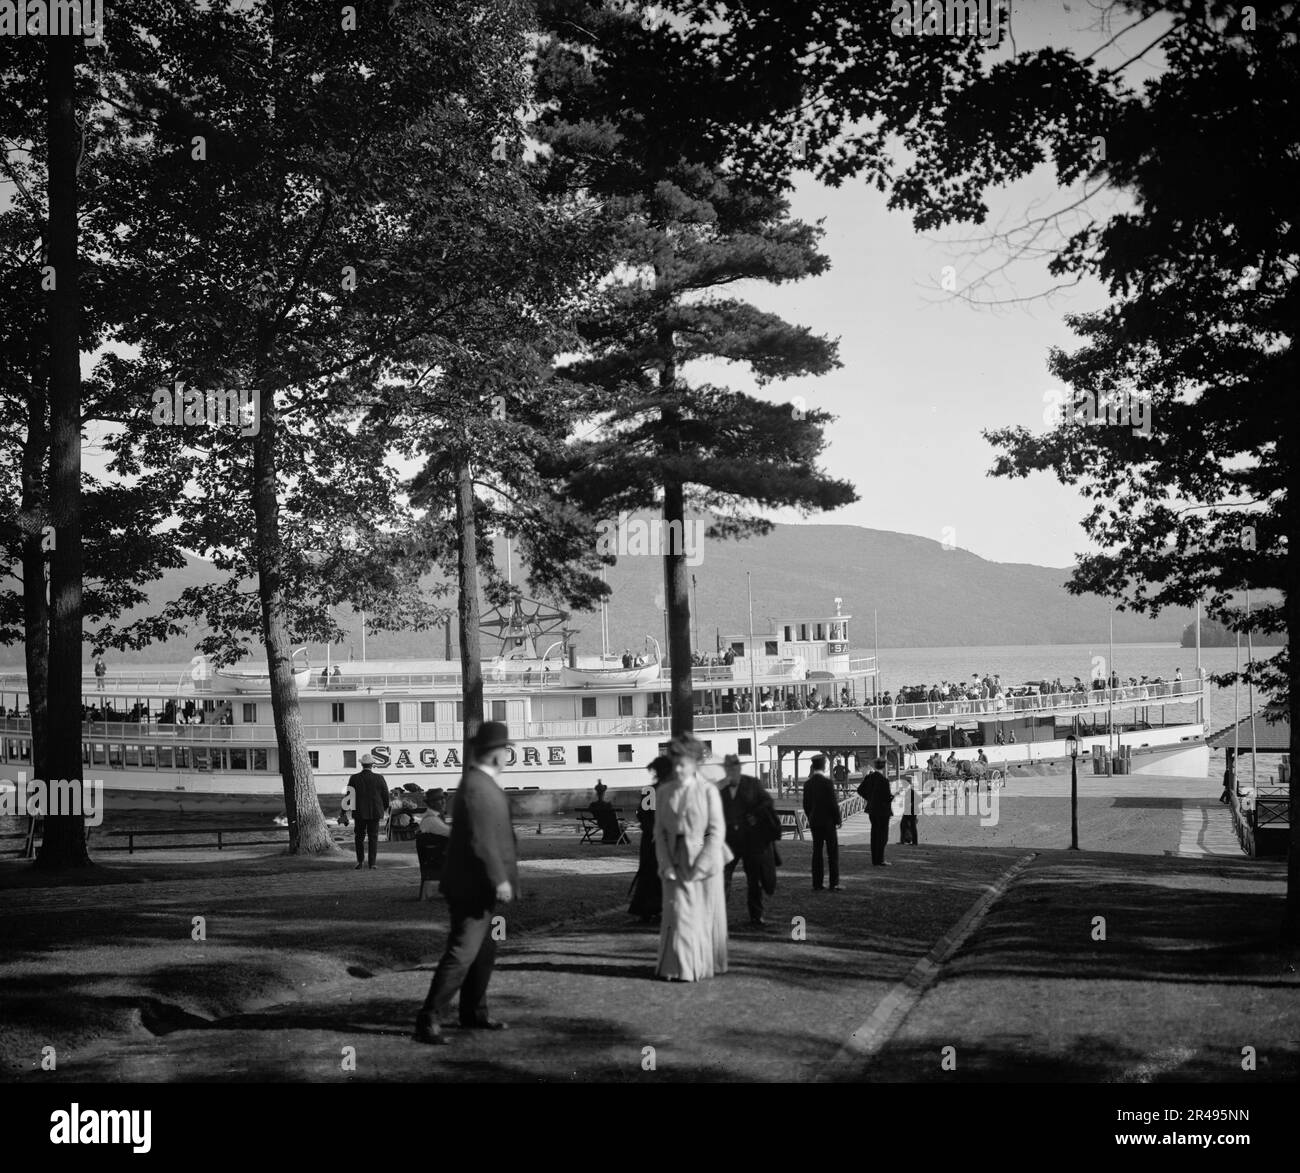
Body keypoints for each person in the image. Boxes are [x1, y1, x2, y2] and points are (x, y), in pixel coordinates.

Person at [414, 722, 518, 1044]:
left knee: (483, 952)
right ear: (495, 753)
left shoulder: (481, 783)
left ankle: (474, 1012)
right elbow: (482, 841)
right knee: (462, 952)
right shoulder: (477, 786)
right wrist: (500, 880)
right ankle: (429, 1017)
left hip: (479, 885)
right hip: (473, 885)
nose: (507, 755)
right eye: (505, 750)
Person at [654, 733, 729, 981]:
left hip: (703, 861)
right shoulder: (664, 792)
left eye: (683, 764)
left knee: (703, 916)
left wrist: (702, 865)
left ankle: (700, 965)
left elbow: (716, 831)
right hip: (674, 859)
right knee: (677, 914)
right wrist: (665, 864)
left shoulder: (708, 791)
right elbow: (659, 833)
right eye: (674, 764)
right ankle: (678, 968)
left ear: (695, 763)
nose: (677, 769)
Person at [719, 753, 779, 928]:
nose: (731, 772)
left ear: (739, 769)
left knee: (755, 879)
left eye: (734, 768)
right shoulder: (720, 788)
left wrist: (755, 815)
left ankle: (756, 916)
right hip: (729, 842)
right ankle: (719, 916)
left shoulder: (753, 784)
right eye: (728, 769)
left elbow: (767, 802)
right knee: (722, 878)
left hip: (751, 841)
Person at [628, 758, 668, 922]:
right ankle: (653, 909)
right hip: (657, 839)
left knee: (652, 874)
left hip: (655, 838)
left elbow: (643, 815)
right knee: (652, 873)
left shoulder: (651, 791)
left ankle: (651, 909)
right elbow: (644, 816)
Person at [342, 753, 391, 870]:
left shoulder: (354, 778)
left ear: (362, 765)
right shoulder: (379, 778)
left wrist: (343, 812)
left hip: (359, 812)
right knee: (373, 837)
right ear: (372, 765)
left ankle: (360, 862)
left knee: (359, 837)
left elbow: (348, 796)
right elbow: (385, 796)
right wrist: (384, 808)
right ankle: (372, 863)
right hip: (375, 812)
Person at [802, 755, 841, 891]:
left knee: (817, 852)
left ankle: (817, 883)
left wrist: (811, 817)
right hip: (828, 822)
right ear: (824, 766)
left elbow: (806, 805)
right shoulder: (827, 783)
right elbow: (832, 803)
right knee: (832, 853)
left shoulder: (808, 784)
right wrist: (837, 819)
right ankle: (834, 883)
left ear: (813, 766)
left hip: (815, 821)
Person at [857, 758, 894, 867]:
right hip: (882, 811)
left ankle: (875, 859)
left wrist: (869, 799)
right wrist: (892, 797)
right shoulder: (884, 780)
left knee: (874, 835)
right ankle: (880, 859)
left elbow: (860, 790)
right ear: (884, 766)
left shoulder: (869, 778)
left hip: (872, 810)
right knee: (882, 836)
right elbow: (886, 798)